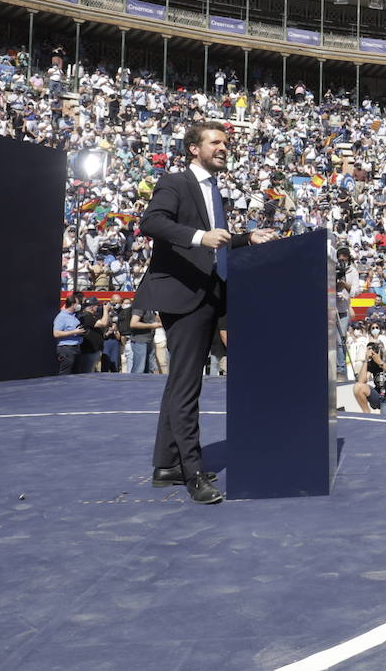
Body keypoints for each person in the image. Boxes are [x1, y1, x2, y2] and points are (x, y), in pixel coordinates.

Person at [134, 123, 274, 505]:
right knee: (187, 386)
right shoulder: (175, 182)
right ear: (194, 148)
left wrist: (246, 239)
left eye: (226, 142)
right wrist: (200, 236)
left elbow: (217, 243)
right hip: (183, 295)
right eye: (216, 142)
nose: (224, 147)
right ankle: (193, 472)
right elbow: (152, 222)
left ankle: (167, 465)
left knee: (181, 381)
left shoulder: (214, 191)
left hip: (209, 293)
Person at [353, 341, 386, 416]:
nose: (377, 350)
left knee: (384, 422)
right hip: (379, 396)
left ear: (384, 349)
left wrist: (380, 362)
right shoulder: (372, 363)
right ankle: (367, 414)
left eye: (379, 347)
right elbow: (361, 381)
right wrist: (366, 360)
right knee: (358, 387)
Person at [53, 294, 84, 374]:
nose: (79, 305)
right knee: (66, 373)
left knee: (77, 373)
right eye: (78, 303)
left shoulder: (74, 316)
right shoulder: (62, 316)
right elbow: (56, 333)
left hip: (76, 348)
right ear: (73, 304)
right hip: (66, 349)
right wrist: (74, 332)